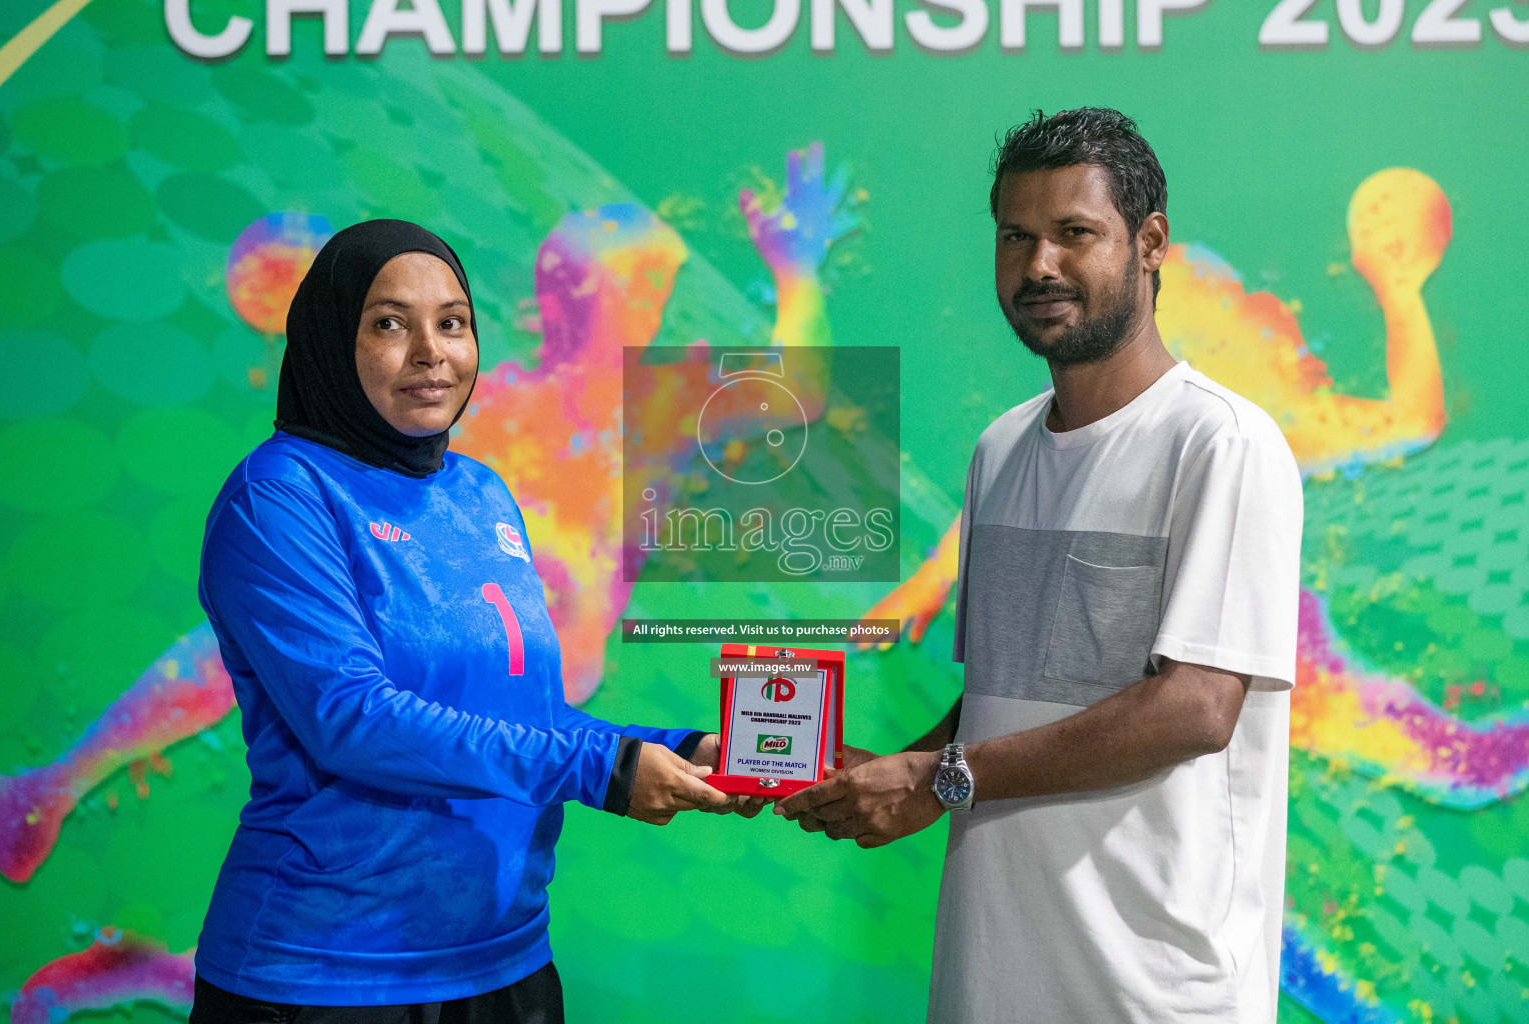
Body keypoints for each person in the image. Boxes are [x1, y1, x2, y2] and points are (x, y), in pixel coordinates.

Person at [778, 109, 1302, 1023]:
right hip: (987, 974)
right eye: (1016, 236)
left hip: (1155, 993)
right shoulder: (1001, 448)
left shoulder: (1222, 444)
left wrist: (944, 778)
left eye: (1074, 234)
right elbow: (1006, 690)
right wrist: (905, 774)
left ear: (1150, 244)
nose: (1039, 266)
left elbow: (1195, 708)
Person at [190, 219, 744, 1024]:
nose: (430, 351)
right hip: (327, 977)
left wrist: (671, 749)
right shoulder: (279, 495)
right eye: (389, 323)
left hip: (506, 960)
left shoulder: (480, 492)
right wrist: (604, 771)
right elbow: (352, 720)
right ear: (329, 338)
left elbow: (528, 717)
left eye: (452, 322)